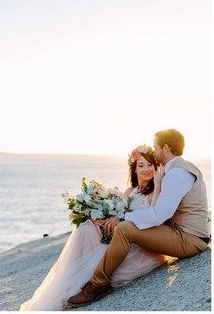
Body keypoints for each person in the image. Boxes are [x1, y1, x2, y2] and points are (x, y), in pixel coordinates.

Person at [67, 129, 210, 306]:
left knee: (126, 229)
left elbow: (158, 215)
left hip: (190, 239)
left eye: (156, 147)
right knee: (108, 228)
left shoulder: (177, 175)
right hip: (184, 233)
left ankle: (97, 284)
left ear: (166, 148)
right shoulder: (176, 170)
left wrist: (123, 217)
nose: (154, 151)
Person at [20, 145, 170, 310]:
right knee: (85, 228)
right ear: (134, 170)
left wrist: (158, 183)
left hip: (138, 245)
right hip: (120, 237)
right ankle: (70, 279)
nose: (147, 169)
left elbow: (155, 216)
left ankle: (89, 283)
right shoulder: (129, 191)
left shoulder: (155, 191)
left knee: (97, 250)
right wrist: (100, 220)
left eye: (150, 165)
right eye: (141, 165)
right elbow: (117, 215)